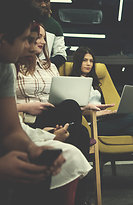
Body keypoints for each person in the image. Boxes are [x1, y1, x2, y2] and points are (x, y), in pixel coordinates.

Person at [70, 46, 133, 189]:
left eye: (91, 61)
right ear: (78, 61)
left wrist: (110, 111)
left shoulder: (94, 82)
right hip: (90, 124)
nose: (88, 64)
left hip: (105, 120)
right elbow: (73, 110)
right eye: (85, 60)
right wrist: (97, 113)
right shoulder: (73, 83)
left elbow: (98, 104)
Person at [0, 0, 65, 204]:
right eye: (24, 40)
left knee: (35, 172)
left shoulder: (4, 67)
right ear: (3, 38)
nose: (27, 49)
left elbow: (10, 130)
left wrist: (33, 149)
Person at [15, 22, 92, 205]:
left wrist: (86, 107)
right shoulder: (12, 67)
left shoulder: (49, 66)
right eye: (32, 39)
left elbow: (57, 95)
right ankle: (78, 197)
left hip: (51, 112)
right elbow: (7, 105)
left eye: (41, 38)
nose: (38, 43)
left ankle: (61, 132)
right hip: (30, 116)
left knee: (72, 105)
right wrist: (27, 107)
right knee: (80, 133)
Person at [29, 0, 66, 68]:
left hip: (45, 71)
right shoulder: (22, 22)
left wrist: (41, 63)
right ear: (31, 2)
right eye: (38, 1)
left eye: (46, 0)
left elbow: (61, 55)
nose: (43, 4)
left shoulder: (55, 26)